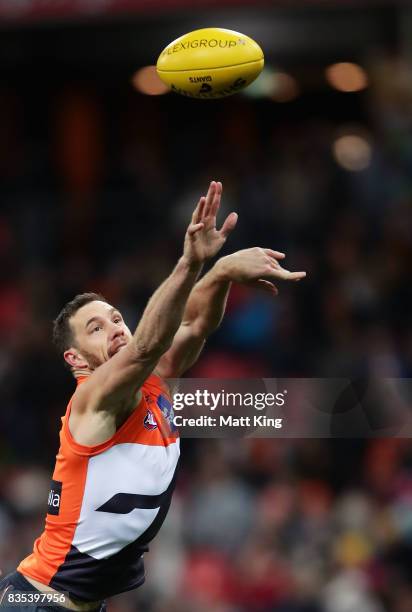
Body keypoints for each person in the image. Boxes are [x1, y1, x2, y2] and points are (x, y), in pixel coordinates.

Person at [0, 181, 305, 611]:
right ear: (75, 358)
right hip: (35, 601)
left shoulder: (154, 380)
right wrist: (190, 262)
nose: (116, 329)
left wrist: (220, 273)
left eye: (116, 318)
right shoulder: (93, 399)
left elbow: (196, 324)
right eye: (96, 329)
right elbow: (147, 344)